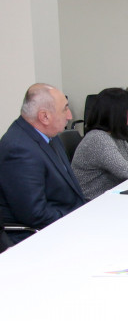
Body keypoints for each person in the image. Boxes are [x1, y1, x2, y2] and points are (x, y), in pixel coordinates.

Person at [0, 83, 87, 243]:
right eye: (65, 109)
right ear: (44, 117)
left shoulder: (50, 136)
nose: (70, 116)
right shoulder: (19, 148)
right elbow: (35, 214)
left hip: (65, 221)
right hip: (39, 236)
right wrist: (77, 218)